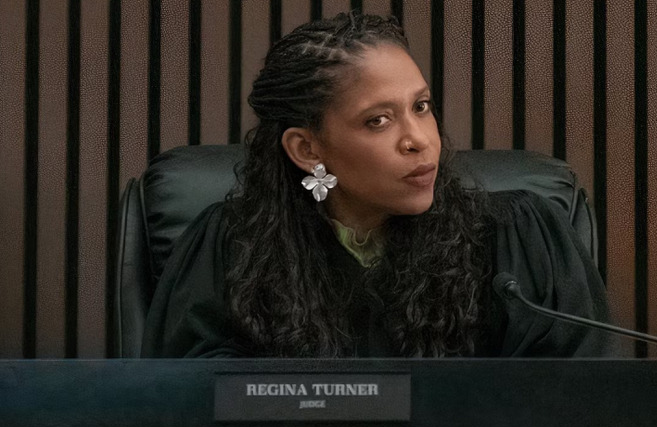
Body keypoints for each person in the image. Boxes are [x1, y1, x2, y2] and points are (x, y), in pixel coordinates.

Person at [141, 12, 618, 358]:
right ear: (307, 149)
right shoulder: (231, 249)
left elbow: (578, 404)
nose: (419, 140)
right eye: (378, 120)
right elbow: (187, 409)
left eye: (421, 107)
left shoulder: (516, 240)